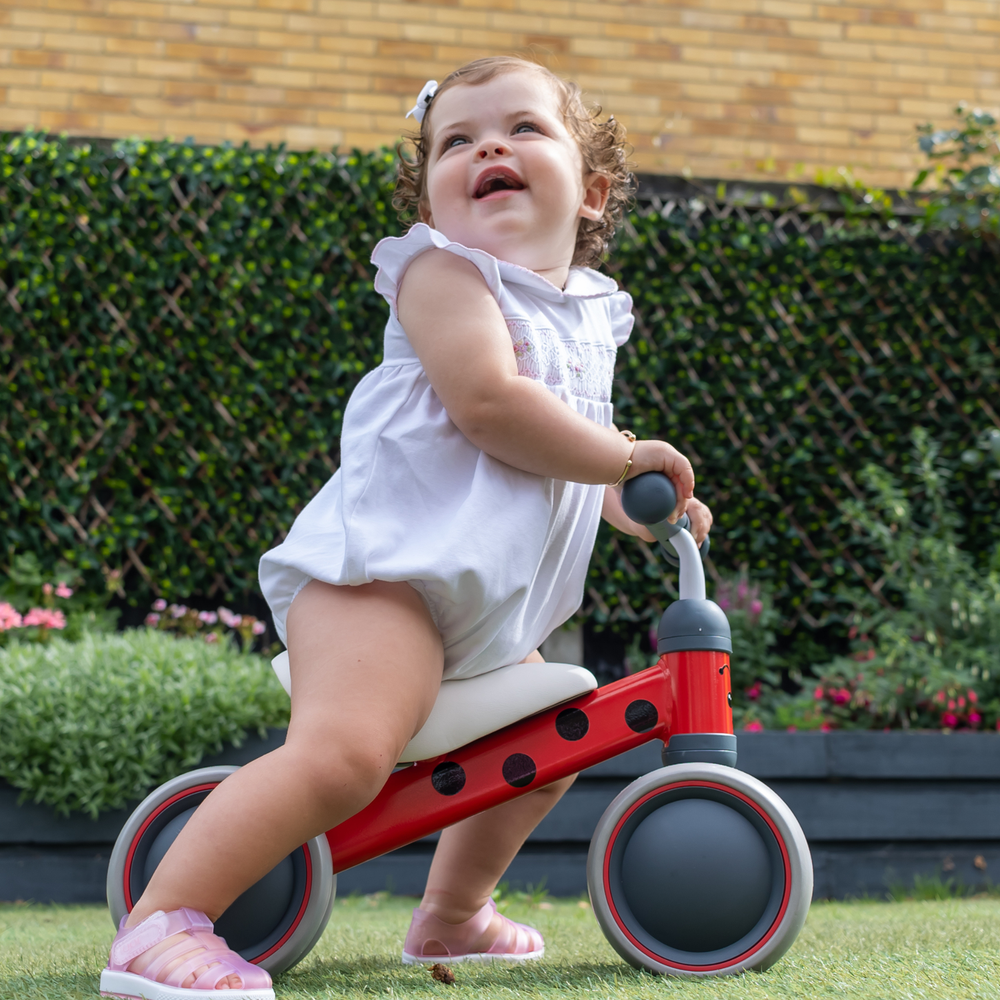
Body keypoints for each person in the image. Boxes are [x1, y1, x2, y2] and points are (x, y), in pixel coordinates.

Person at [100, 56, 713, 999]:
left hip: (488, 613)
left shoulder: (589, 312)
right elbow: (488, 406)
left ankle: (454, 913)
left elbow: (556, 444)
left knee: (556, 739)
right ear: (429, 201)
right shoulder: (441, 272)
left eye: (521, 128)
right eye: (456, 141)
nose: (488, 147)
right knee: (343, 759)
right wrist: (623, 456)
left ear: (591, 194)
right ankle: (157, 928)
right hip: (380, 580)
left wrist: (624, 501)